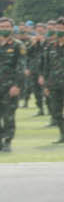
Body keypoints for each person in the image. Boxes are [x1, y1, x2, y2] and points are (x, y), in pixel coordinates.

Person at [0, 16, 22, 151]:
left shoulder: (18, 45)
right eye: (2, 27)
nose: (4, 29)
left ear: (12, 28)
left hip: (10, 87)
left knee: (9, 115)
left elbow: (21, 67)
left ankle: (8, 141)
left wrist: (16, 85)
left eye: (7, 27)